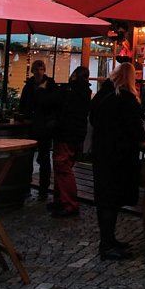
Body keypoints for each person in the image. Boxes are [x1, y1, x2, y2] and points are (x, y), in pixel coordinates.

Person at [89, 62, 145, 260]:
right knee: (111, 201)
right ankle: (107, 245)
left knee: (105, 200)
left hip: (101, 154)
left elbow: (93, 119)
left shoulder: (103, 95)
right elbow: (135, 128)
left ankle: (109, 240)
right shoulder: (126, 99)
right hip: (118, 158)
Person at [49, 66, 91, 218]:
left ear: (74, 76)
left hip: (65, 133)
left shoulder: (69, 91)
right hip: (77, 134)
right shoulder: (86, 92)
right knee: (64, 166)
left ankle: (69, 203)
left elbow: (52, 102)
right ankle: (61, 199)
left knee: (62, 167)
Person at [19, 60, 60, 202]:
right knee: (30, 158)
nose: (39, 72)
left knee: (43, 157)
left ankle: (42, 188)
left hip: (44, 126)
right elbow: (23, 105)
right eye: (37, 69)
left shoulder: (49, 85)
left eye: (41, 69)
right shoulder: (29, 86)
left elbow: (52, 103)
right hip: (34, 125)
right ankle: (28, 187)